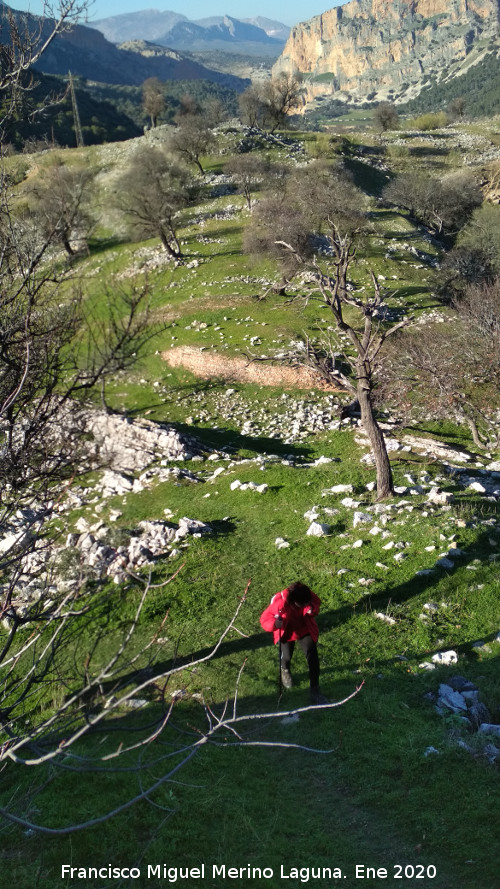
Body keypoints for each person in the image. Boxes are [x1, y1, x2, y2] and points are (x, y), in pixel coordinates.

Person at [260, 581, 328, 704]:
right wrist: (275, 624)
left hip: (304, 628)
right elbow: (264, 619)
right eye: (303, 604)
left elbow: (316, 603)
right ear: (294, 601)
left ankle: (315, 690)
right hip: (287, 632)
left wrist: (312, 610)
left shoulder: (305, 594)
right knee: (286, 656)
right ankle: (285, 670)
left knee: (313, 658)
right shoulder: (279, 603)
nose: (305, 605)